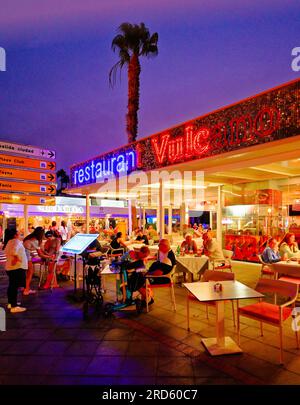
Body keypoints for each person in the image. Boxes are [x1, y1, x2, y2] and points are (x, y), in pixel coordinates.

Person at [23, 227, 53, 295]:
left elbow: (40, 250)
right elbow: (40, 254)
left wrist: (47, 254)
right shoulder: (35, 240)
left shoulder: (29, 237)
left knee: (26, 273)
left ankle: (25, 288)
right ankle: (26, 290)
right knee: (30, 273)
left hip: (24, 256)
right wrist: (49, 256)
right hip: (26, 257)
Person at [4, 229, 28, 313]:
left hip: (11, 268)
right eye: (18, 232)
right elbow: (13, 251)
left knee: (12, 286)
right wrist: (16, 258)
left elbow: (7, 251)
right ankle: (14, 307)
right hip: (16, 268)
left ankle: (11, 303)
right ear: (15, 234)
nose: (20, 233)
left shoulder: (9, 241)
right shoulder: (16, 241)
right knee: (14, 287)